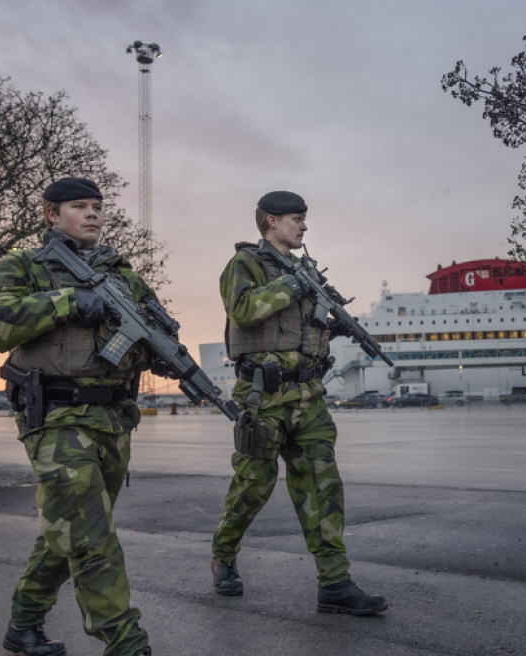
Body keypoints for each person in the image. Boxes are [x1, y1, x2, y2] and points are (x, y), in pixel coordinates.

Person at [0, 177, 156, 656]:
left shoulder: (123, 274)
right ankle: (126, 642)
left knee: (67, 532)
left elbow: (150, 331)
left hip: (112, 420)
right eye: (80, 206)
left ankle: (24, 623)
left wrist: (159, 350)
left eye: (98, 206)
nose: (93, 214)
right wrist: (67, 302)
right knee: (93, 537)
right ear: (51, 215)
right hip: (55, 417)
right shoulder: (25, 265)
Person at [209, 190, 388, 615]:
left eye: (304, 219)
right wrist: (292, 283)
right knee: (254, 486)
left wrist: (332, 329)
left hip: (309, 397)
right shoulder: (245, 264)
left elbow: (303, 326)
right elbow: (245, 310)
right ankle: (224, 553)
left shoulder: (304, 269)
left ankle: (335, 583)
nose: (304, 226)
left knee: (323, 487)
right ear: (270, 221)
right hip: (263, 397)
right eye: (296, 218)